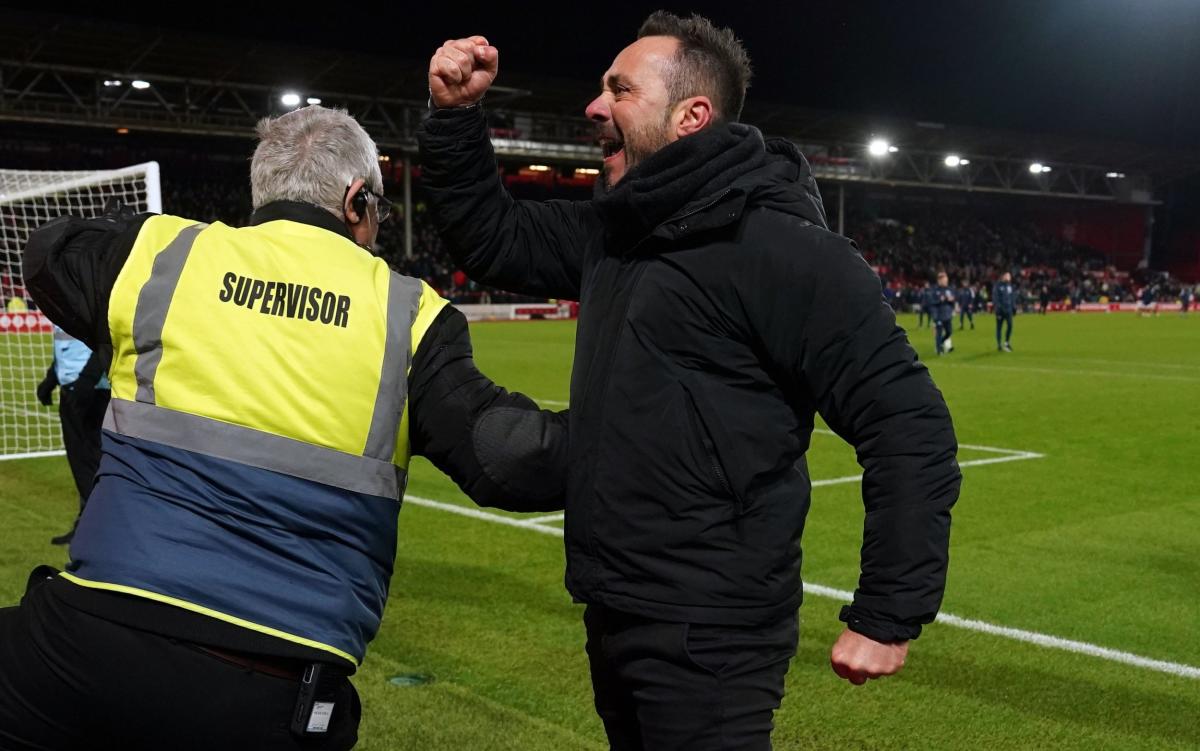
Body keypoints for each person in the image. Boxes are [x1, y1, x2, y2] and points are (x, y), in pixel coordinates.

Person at [420, 14, 961, 750]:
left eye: (619, 89)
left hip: (715, 631)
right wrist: (456, 119)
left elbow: (908, 425)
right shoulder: (616, 234)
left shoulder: (783, 250)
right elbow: (493, 235)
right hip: (613, 605)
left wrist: (889, 609)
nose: (594, 106)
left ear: (691, 117)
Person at [2, 105, 568, 749]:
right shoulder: (406, 313)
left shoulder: (166, 254)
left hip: (79, 643)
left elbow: (49, 250)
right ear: (357, 201)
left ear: (263, 189)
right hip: (266, 686)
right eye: (379, 210)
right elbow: (514, 461)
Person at [36, 324, 111, 545]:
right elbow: (65, 345)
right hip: (73, 388)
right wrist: (51, 379)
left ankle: (98, 530)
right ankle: (86, 526)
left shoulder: (86, 295)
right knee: (83, 463)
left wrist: (85, 383)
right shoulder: (67, 299)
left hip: (90, 391)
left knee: (90, 463)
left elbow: (103, 341)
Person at [932, 271, 956, 355]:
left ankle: (940, 343)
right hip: (939, 315)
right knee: (938, 333)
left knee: (949, 332)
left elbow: (952, 301)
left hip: (947, 315)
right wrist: (940, 300)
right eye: (943, 280)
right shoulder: (935, 290)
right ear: (939, 281)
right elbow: (932, 302)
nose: (945, 281)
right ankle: (939, 350)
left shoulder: (949, 289)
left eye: (946, 280)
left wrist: (951, 300)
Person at [993, 271, 1017, 352]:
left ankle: (1006, 343)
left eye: (1009, 276)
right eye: (1007, 276)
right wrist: (998, 309)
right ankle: (999, 344)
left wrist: (1014, 308)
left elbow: (1012, 297)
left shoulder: (1010, 286)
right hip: (1000, 311)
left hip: (1008, 310)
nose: (1009, 277)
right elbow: (996, 299)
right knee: (999, 328)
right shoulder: (997, 286)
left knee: (1010, 326)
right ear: (1003, 276)